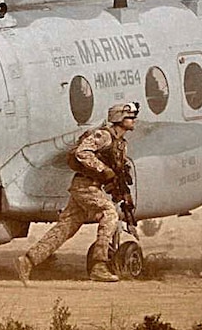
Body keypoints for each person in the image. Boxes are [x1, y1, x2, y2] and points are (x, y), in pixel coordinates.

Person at [14, 101, 139, 285]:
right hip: (85, 185)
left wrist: (121, 193)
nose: (134, 120)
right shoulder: (103, 136)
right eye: (130, 117)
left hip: (91, 187)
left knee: (65, 228)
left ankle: (28, 261)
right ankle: (98, 265)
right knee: (109, 214)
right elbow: (82, 152)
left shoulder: (120, 144)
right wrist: (103, 169)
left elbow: (116, 175)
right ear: (120, 119)